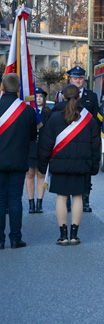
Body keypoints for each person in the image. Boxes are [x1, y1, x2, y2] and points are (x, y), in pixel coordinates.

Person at [39, 84, 100, 246]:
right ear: (79, 97)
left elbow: (46, 144)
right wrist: (94, 166)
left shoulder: (54, 117)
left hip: (59, 165)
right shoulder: (89, 119)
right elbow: (95, 145)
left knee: (61, 197)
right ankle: (74, 235)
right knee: (78, 197)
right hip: (81, 165)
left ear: (62, 97)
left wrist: (43, 165)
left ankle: (62, 235)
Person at [0, 74, 38, 249]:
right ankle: (15, 238)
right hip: (18, 160)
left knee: (0, 200)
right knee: (15, 200)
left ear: (2, 87)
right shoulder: (28, 110)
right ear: (18, 89)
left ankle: (0, 240)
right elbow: (32, 136)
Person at [58, 66, 99, 213]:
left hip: (84, 139)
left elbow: (95, 119)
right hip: (66, 139)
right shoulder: (61, 95)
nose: (78, 81)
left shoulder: (91, 96)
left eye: (81, 78)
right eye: (75, 78)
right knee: (67, 172)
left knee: (85, 173)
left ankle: (85, 200)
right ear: (70, 79)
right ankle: (68, 201)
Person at [25, 87, 51, 214]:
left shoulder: (47, 113)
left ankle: (39, 203)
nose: (38, 98)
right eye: (36, 96)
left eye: (41, 96)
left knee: (41, 175)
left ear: (44, 99)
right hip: (30, 148)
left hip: (42, 149)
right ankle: (31, 203)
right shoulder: (28, 112)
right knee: (29, 175)